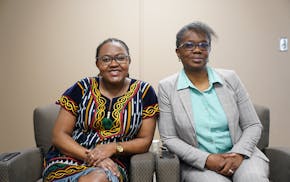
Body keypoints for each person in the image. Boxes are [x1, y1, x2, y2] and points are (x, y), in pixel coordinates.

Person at [157, 21, 269, 182]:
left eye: (204, 45)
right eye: (189, 45)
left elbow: (253, 125)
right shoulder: (167, 87)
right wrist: (207, 159)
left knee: (253, 178)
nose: (197, 50)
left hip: (243, 157)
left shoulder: (230, 78)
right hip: (198, 164)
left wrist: (238, 154)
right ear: (178, 52)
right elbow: (169, 138)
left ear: (209, 49)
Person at [42, 38, 159, 182]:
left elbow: (145, 141)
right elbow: (59, 135)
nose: (114, 64)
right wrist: (92, 156)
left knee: (98, 179)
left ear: (129, 61)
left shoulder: (145, 92)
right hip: (68, 160)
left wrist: (114, 147)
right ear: (97, 64)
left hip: (113, 163)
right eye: (106, 59)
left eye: (120, 58)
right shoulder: (82, 88)